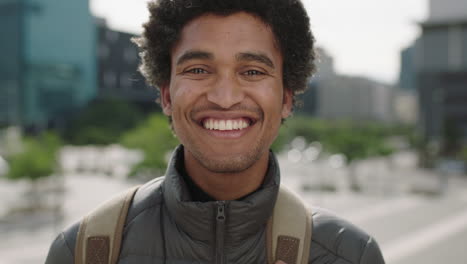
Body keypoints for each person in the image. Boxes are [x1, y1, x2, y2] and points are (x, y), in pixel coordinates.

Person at [46, 0, 385, 263]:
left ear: (286, 98)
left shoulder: (349, 255)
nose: (225, 98)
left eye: (252, 71)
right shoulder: (85, 251)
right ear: (166, 95)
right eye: (198, 69)